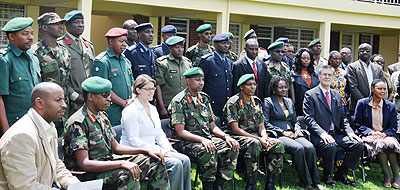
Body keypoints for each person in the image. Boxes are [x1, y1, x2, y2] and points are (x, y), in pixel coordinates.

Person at [63, 76, 170, 189]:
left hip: (109, 162)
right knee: (128, 174)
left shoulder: (101, 116)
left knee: (156, 162)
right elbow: (84, 163)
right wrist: (122, 164)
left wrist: (147, 151)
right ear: (90, 97)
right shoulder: (78, 122)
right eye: (105, 95)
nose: (109, 99)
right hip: (90, 173)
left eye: (109, 95)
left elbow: (116, 147)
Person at [168, 67, 239, 190]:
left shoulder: (204, 98)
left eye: (202, 79)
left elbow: (212, 125)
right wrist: (202, 140)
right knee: (208, 151)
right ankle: (208, 185)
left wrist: (226, 137)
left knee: (232, 146)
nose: (201, 82)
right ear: (188, 81)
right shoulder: (179, 101)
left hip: (206, 138)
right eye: (197, 80)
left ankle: (219, 183)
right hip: (186, 142)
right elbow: (180, 131)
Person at [0, 82, 79, 189]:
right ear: (40, 103)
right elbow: (24, 187)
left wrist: (76, 185)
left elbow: (56, 166)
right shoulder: (22, 136)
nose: (64, 104)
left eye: (63, 99)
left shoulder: (49, 126)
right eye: (58, 100)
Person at [121, 74, 191, 190]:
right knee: (175, 164)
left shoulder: (152, 109)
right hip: (137, 153)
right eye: (147, 89)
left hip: (154, 149)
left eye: (153, 88)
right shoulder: (130, 111)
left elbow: (159, 134)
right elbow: (134, 141)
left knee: (185, 160)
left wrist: (168, 148)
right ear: (138, 90)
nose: (151, 92)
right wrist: (160, 151)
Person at [303, 65, 364, 187]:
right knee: (331, 146)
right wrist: (322, 133)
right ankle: (327, 175)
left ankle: (341, 173)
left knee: (358, 144)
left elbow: (343, 118)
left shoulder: (337, 95)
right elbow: (309, 119)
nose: (327, 77)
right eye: (324, 74)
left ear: (333, 77)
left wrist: (350, 132)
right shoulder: (311, 94)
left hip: (335, 133)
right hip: (318, 134)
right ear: (319, 76)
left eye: (329, 75)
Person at [224, 74, 284, 190]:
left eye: (254, 84)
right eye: (249, 85)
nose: (252, 87)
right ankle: (251, 183)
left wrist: (264, 137)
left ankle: (271, 183)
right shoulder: (233, 102)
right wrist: (259, 139)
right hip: (236, 136)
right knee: (254, 144)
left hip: (255, 136)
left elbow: (261, 125)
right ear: (241, 87)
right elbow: (235, 128)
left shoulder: (256, 101)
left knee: (278, 144)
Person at [264, 76, 323, 190]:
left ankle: (316, 181)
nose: (284, 89)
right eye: (280, 87)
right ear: (274, 89)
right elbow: (265, 123)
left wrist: (297, 130)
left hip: (293, 133)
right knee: (299, 149)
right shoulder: (268, 102)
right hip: (279, 135)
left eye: (286, 87)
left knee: (310, 147)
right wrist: (283, 132)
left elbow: (295, 120)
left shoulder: (289, 101)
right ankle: (305, 182)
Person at [354, 79, 400, 189]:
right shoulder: (362, 103)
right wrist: (370, 132)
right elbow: (357, 122)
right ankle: (387, 177)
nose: (383, 91)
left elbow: (393, 126)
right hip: (369, 135)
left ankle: (397, 177)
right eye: (380, 88)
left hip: (386, 135)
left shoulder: (390, 106)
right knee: (380, 144)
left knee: (390, 144)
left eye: (384, 89)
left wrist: (385, 134)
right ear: (372, 89)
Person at [0, 17, 41, 135]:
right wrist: (6, 132)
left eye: (31, 33)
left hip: (33, 124)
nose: (31, 37)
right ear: (12, 37)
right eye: (25, 34)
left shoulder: (33, 57)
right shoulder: (5, 60)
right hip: (14, 126)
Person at [32, 12, 71, 136]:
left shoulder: (64, 51)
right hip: (46, 108)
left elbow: (67, 79)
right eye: (55, 24)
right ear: (44, 27)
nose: (60, 27)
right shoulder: (35, 52)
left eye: (61, 24)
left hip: (64, 106)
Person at [93, 28, 134, 126]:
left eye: (125, 41)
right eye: (121, 41)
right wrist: (124, 103)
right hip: (112, 113)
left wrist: (132, 99)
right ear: (111, 41)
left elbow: (132, 83)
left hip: (128, 111)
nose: (124, 44)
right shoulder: (102, 61)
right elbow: (104, 89)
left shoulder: (126, 61)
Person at [59, 10, 95, 116]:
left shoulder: (88, 46)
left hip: (88, 99)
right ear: (67, 25)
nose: (80, 25)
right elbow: (59, 77)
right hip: (70, 101)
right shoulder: (60, 45)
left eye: (82, 22)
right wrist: (75, 96)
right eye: (76, 22)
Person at [155, 36, 192, 118]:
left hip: (186, 105)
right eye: (177, 47)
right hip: (169, 106)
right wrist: (162, 107)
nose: (180, 50)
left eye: (182, 47)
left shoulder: (188, 63)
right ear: (170, 48)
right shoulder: (162, 63)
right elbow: (158, 85)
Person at [199, 33, 233, 117]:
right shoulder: (208, 61)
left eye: (227, 43)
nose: (226, 46)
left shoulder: (229, 61)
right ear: (215, 44)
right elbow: (200, 83)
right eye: (223, 43)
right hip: (212, 105)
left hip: (226, 105)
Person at [347, 43, 385, 114]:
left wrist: (377, 100)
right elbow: (353, 87)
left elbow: (382, 86)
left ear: (371, 53)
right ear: (358, 53)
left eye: (367, 51)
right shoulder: (352, 67)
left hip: (377, 105)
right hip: (360, 105)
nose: (365, 52)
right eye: (362, 51)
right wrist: (365, 102)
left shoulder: (378, 68)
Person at [292, 48, 319, 116]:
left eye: (308, 58)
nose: (306, 60)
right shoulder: (293, 74)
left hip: (313, 108)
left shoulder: (315, 75)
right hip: (299, 108)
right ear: (299, 59)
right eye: (303, 58)